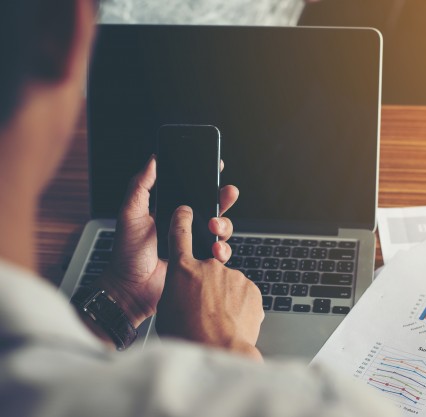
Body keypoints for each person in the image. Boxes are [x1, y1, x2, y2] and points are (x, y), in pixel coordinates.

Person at [0, 1, 397, 416]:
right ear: (67, 34)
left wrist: (123, 296)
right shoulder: (319, 405)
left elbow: (56, 368)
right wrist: (223, 346)